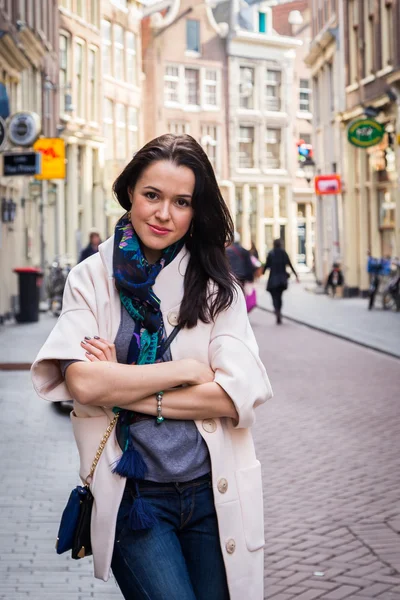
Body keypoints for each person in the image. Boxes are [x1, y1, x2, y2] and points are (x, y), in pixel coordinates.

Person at [31, 134, 273, 600]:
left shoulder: (217, 285)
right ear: (130, 193)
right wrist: (184, 370)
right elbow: (80, 380)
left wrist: (119, 388)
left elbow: (234, 395)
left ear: (195, 210)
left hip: (211, 494)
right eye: (152, 196)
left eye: (181, 202)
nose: (164, 214)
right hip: (134, 500)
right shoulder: (92, 277)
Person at [263, 238, 299, 324]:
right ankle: (278, 310)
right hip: (282, 279)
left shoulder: (271, 253)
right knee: (279, 296)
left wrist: (263, 272)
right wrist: (296, 275)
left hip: (273, 279)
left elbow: (267, 265)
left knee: (274, 296)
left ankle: (277, 310)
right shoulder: (284, 253)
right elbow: (290, 264)